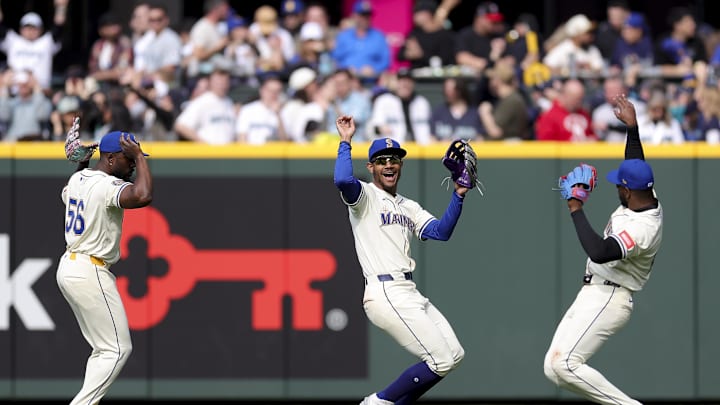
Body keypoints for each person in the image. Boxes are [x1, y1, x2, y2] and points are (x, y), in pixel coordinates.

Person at [333, 115, 468, 405]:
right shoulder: (365, 196)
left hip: (409, 291)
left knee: (454, 355)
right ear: (371, 167)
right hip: (384, 291)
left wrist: (458, 195)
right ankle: (379, 401)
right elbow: (342, 179)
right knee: (440, 359)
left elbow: (441, 232)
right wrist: (345, 142)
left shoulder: (409, 206)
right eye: (381, 160)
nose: (389, 165)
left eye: (394, 159)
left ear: (401, 165)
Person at [544, 94, 663, 405]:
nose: (616, 188)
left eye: (618, 185)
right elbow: (636, 164)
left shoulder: (643, 228)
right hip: (596, 291)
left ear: (627, 190)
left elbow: (599, 251)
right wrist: (632, 128)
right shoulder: (645, 194)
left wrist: (575, 208)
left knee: (564, 364)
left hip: (611, 295)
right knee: (553, 368)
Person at [57, 127, 152, 405]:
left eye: (135, 158)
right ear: (110, 159)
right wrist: (143, 159)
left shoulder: (79, 179)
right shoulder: (106, 186)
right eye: (128, 158)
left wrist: (81, 160)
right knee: (118, 348)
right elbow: (143, 195)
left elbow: (71, 189)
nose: (133, 162)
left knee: (104, 349)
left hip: (70, 268)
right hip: (90, 268)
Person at [0, 1, 69, 91]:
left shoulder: (46, 42)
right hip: (14, 92)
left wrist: (61, 7)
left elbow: (59, 26)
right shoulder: (13, 40)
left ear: (40, 30)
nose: (30, 31)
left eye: (33, 28)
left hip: (39, 93)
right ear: (21, 29)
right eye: (27, 27)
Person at [175, 57, 236, 144]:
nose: (223, 83)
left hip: (227, 154)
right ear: (210, 81)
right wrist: (203, 143)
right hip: (207, 155)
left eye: (225, 79)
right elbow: (181, 125)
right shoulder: (202, 101)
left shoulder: (229, 102)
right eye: (219, 79)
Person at [367, 69, 433, 144]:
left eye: (408, 81)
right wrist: (380, 129)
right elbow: (373, 129)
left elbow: (431, 129)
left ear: (413, 83)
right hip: (393, 150)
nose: (404, 84)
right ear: (396, 83)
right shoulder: (383, 101)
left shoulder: (422, 102)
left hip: (420, 149)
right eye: (401, 81)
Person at [332, 0, 390, 81]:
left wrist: (374, 68)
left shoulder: (379, 37)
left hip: (370, 81)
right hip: (347, 81)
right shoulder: (344, 36)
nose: (365, 18)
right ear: (354, 16)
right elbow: (335, 59)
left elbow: (385, 61)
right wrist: (346, 69)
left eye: (368, 15)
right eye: (362, 15)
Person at [478, 62, 530, 140]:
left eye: (492, 79)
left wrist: (485, 113)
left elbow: (495, 132)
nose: (490, 83)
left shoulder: (512, 100)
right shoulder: (508, 99)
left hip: (508, 149)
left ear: (497, 81)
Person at [431, 77, 485, 141]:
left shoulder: (474, 113)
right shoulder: (439, 112)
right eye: (446, 89)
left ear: (460, 90)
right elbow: (432, 138)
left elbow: (480, 139)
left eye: (451, 89)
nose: (447, 92)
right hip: (443, 150)